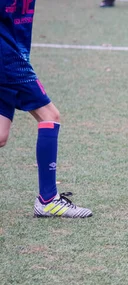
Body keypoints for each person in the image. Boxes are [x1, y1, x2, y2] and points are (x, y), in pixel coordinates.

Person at [0, 0, 92, 218]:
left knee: (1, 135)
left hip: (14, 51)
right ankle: (48, 200)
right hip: (8, 59)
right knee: (49, 115)